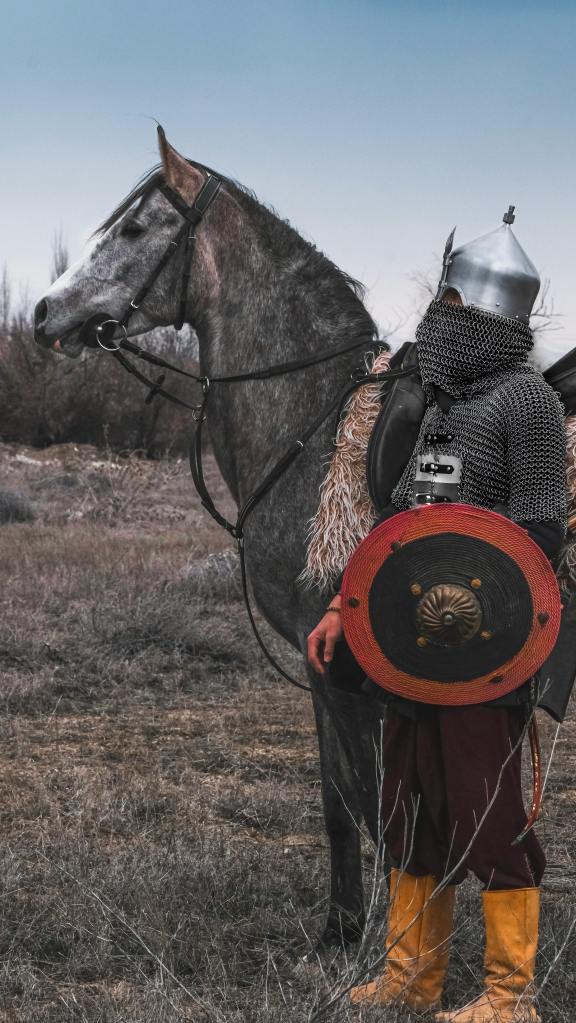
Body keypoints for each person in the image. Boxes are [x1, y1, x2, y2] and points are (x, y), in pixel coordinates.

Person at [307, 208, 567, 1023]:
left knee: (487, 813)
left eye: (452, 303)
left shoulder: (525, 402)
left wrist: (479, 598)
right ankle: (410, 976)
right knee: (409, 807)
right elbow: (401, 521)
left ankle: (509, 995)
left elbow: (539, 537)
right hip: (411, 642)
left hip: (485, 645)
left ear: (486, 312)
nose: (438, 314)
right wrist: (345, 606)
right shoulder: (440, 402)